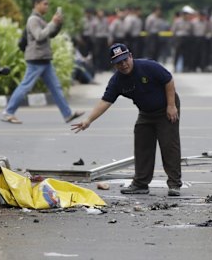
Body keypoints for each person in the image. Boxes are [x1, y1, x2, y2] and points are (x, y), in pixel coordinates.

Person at [71, 43, 182, 197]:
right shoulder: (117, 81)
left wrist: (171, 105)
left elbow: (168, 80)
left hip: (166, 108)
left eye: (125, 60)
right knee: (142, 145)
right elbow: (105, 101)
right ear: (113, 64)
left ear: (130, 56)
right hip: (146, 112)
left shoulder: (148, 66)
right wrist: (88, 120)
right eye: (118, 63)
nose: (123, 65)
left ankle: (174, 184)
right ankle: (141, 184)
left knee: (169, 145)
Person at [1, 0, 84, 124]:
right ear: (37, 4)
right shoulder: (33, 19)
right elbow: (39, 36)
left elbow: (50, 34)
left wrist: (58, 24)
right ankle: (8, 112)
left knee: (56, 88)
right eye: (45, 4)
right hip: (36, 59)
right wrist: (52, 23)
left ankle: (67, 114)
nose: (47, 6)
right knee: (25, 86)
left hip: (44, 59)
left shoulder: (40, 19)